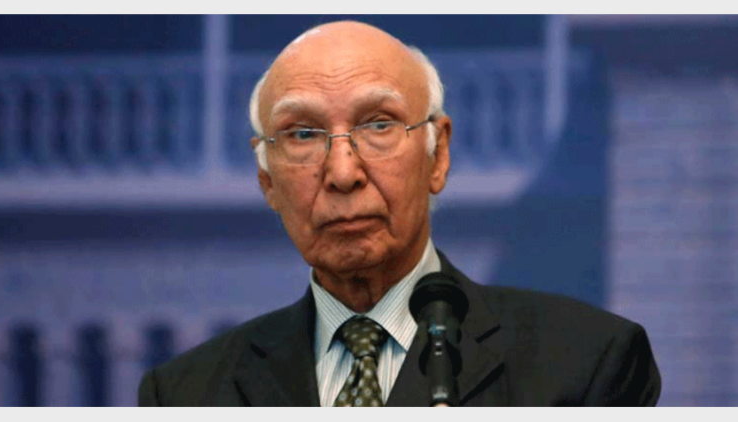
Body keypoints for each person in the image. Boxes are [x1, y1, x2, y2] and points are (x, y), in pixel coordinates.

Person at [138, 20, 661, 407]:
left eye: (378, 125)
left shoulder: (587, 363)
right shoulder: (184, 395)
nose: (342, 172)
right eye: (302, 134)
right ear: (267, 181)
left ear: (439, 154)